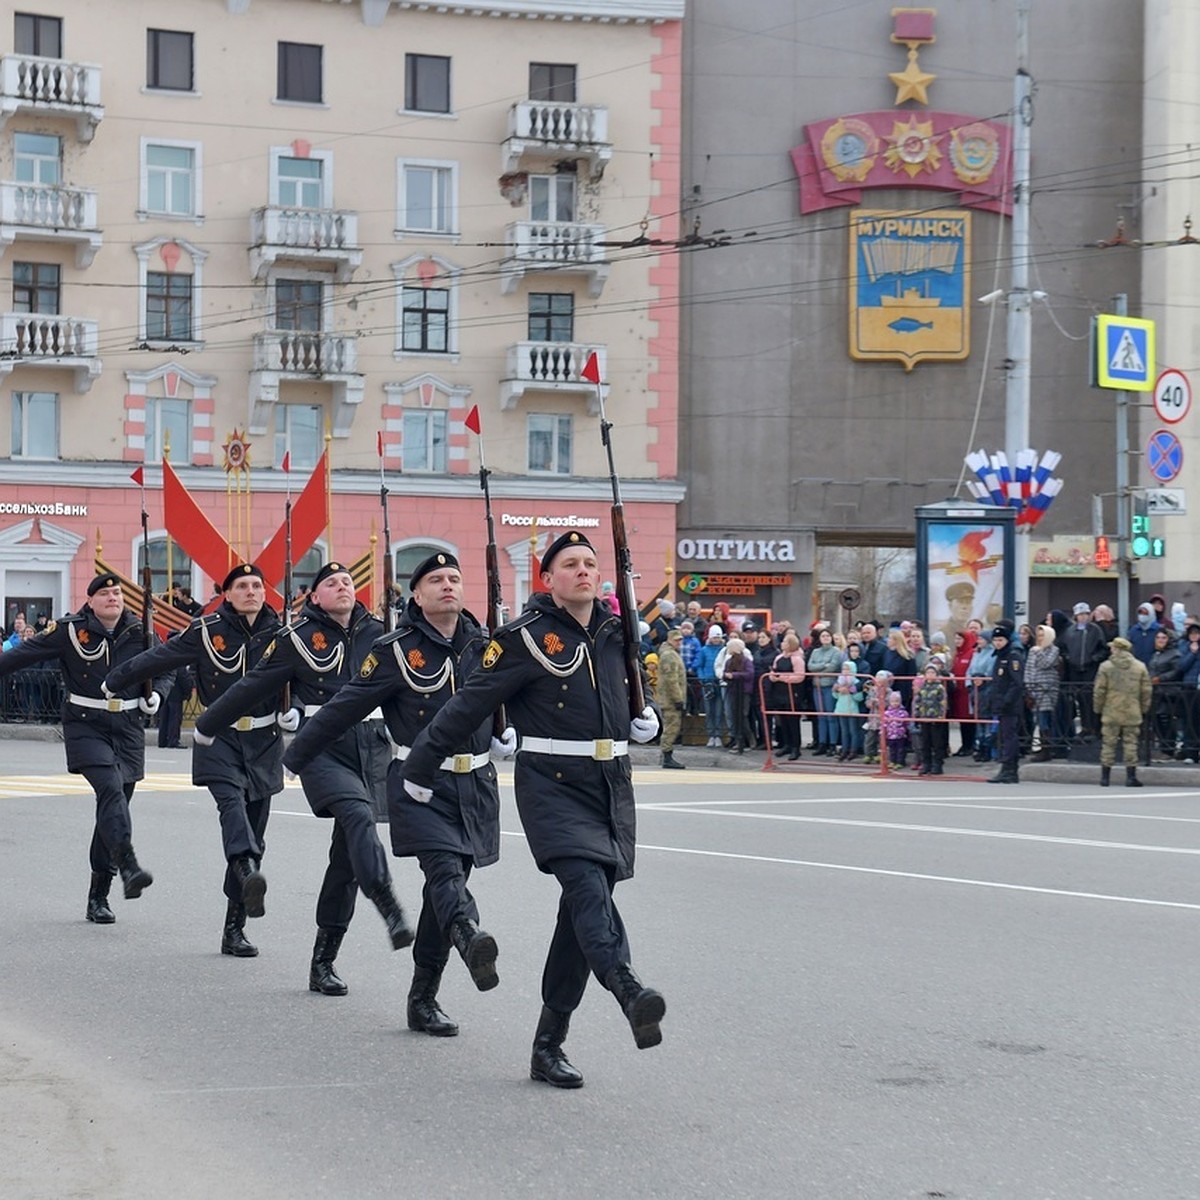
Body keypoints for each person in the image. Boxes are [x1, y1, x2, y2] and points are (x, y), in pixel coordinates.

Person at [399, 529, 665, 1089]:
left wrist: (648, 720)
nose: (584, 572)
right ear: (548, 579)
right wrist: (419, 767)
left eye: (591, 563)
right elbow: (467, 704)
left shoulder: (619, 632)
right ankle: (627, 988)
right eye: (570, 564)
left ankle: (548, 1046)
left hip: (612, 788)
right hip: (554, 787)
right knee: (587, 890)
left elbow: (625, 694)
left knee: (579, 917)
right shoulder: (524, 638)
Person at [283, 552, 507, 1036]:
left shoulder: (489, 647)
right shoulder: (396, 649)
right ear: (417, 595)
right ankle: (468, 932)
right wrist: (296, 755)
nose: (447, 585)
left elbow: (524, 696)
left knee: (441, 894)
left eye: (454, 577)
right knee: (445, 874)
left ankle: (423, 997)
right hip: (418, 784)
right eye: (435, 580)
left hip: (477, 787)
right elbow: (346, 705)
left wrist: (515, 729)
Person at [194, 561, 414, 995]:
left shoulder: (382, 636)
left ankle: (323, 960)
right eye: (330, 582)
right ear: (314, 597)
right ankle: (386, 898)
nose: (342, 586)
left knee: (347, 861)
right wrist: (208, 724)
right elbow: (253, 685)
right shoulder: (297, 639)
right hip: (322, 748)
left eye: (348, 580)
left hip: (371, 749)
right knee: (357, 818)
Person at [104, 563, 282, 957]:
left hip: (265, 742)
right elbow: (160, 657)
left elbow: (308, 678)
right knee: (232, 807)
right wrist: (116, 679)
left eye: (257, 585)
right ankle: (246, 869)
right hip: (217, 737)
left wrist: (298, 708)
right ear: (227, 593)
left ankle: (234, 927)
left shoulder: (282, 634)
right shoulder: (207, 631)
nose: (251, 591)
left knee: (256, 832)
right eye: (242, 586)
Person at [0, 575, 173, 922]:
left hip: (127, 729)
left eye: (118, 593)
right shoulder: (69, 631)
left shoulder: (141, 631)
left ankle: (98, 895)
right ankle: (127, 863)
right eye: (105, 593)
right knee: (109, 788)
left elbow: (167, 669)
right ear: (90, 600)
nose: (113, 597)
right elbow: (18, 657)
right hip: (85, 724)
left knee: (115, 805)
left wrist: (157, 694)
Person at [1094, 636, 1151, 787]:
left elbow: (1099, 690)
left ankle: (1105, 777)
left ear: (1117, 649)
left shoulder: (1106, 667)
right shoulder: (1140, 667)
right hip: (1132, 710)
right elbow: (1146, 691)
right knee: (1131, 743)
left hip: (1111, 710)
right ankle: (1131, 776)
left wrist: (1098, 708)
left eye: (1113, 647)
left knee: (1108, 743)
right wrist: (1144, 709)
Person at [985, 619, 1025, 784]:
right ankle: (1006, 768)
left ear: (1007, 640)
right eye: (995, 640)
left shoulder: (1012, 656)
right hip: (1000, 703)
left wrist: (1007, 701)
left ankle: (1010, 769)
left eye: (1000, 640)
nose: (997, 643)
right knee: (1003, 736)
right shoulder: (999, 656)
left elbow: (1017, 683)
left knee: (1009, 737)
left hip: (1010, 705)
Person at [1060, 602, 1109, 739]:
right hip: (1075, 670)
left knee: (1091, 700)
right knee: (1080, 699)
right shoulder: (1070, 631)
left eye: (1085, 614)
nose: (1082, 617)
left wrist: (1094, 659)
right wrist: (1069, 658)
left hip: (1090, 669)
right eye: (1079, 615)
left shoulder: (1095, 630)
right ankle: (1085, 727)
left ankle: (1094, 728)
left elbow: (1103, 649)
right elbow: (1064, 648)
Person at [1024, 624, 1062, 763]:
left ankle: (1046, 749)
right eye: (1039, 636)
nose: (1040, 638)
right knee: (1038, 719)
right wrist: (1028, 686)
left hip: (1047, 689)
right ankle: (1042, 747)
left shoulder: (1054, 650)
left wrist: (1039, 651)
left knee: (1044, 719)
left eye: (1043, 636)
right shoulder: (1032, 651)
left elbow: (1045, 663)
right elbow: (1028, 668)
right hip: (1035, 689)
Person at [767, 632, 805, 760]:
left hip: (792, 693)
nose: (782, 644)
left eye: (784, 642)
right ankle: (787, 744)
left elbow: (800, 676)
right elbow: (774, 671)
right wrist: (772, 677)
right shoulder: (778, 658)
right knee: (783, 720)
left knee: (793, 720)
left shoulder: (797, 659)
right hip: (779, 692)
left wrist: (782, 678)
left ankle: (796, 747)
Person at [1147, 627, 1182, 758]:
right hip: (1156, 692)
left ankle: (1168, 749)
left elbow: (1176, 671)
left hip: (1168, 693)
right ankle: (1162, 747)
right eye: (1158, 638)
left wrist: (1161, 678)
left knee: (1166, 721)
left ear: (1169, 639)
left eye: (1163, 638)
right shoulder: (1155, 654)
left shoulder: (1174, 653)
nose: (1160, 640)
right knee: (1156, 720)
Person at [807, 626, 841, 755]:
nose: (825, 638)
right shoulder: (815, 651)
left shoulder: (836, 651)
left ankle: (832, 744)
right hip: (817, 687)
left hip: (829, 686)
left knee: (830, 716)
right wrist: (823, 665)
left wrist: (819, 669)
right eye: (823, 636)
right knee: (820, 716)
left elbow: (832, 667)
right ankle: (822, 743)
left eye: (827, 636)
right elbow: (810, 666)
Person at [657, 627, 688, 769]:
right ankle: (667, 756)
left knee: (670, 726)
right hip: (670, 700)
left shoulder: (670, 653)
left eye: (680, 640)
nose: (679, 642)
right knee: (671, 727)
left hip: (668, 698)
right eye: (676, 640)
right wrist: (678, 699)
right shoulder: (670, 655)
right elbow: (672, 680)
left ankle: (666, 755)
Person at [911, 663, 948, 775]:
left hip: (935, 719)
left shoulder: (939, 687)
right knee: (925, 743)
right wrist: (916, 715)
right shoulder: (922, 688)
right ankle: (926, 763)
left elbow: (943, 702)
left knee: (937, 743)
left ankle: (938, 764)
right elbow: (918, 701)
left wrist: (941, 716)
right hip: (924, 718)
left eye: (933, 672)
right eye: (928, 673)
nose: (930, 675)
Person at [721, 635, 755, 754]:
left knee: (743, 716)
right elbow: (724, 673)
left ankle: (749, 740)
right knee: (735, 716)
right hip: (733, 690)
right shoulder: (729, 661)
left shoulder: (746, 661)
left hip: (743, 691)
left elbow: (750, 674)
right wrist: (726, 676)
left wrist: (734, 676)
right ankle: (738, 741)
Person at [882, 691, 909, 769]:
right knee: (892, 749)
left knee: (901, 749)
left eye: (897, 701)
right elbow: (884, 723)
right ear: (890, 702)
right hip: (890, 734)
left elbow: (906, 722)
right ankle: (893, 761)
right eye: (893, 701)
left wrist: (904, 730)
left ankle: (900, 762)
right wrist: (884, 731)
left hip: (900, 734)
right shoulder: (887, 713)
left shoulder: (903, 712)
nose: (895, 703)